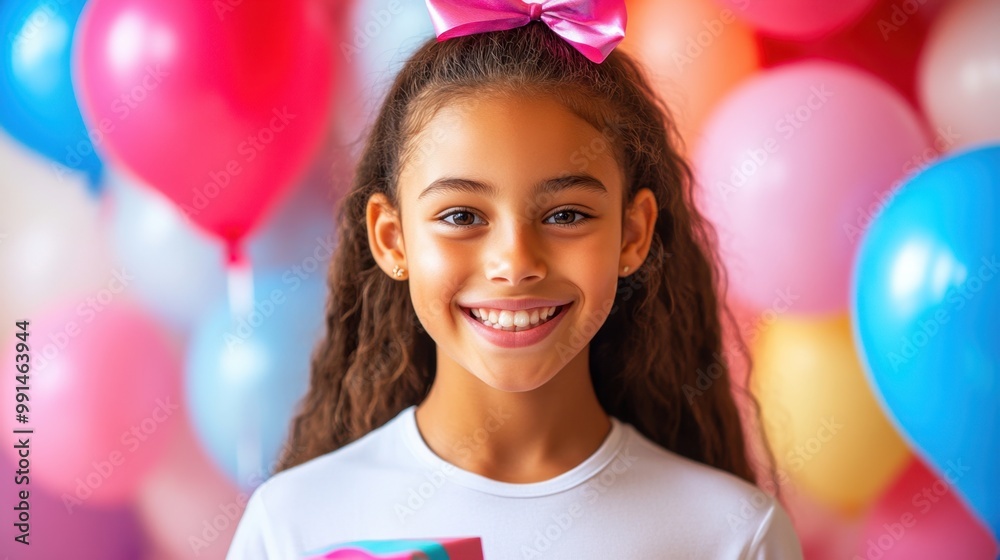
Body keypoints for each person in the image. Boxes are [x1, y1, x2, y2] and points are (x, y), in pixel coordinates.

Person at [227, 1, 803, 558]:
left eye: (566, 215)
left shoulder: (732, 534)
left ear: (632, 235)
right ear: (391, 238)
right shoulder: (293, 524)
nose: (515, 261)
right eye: (461, 217)